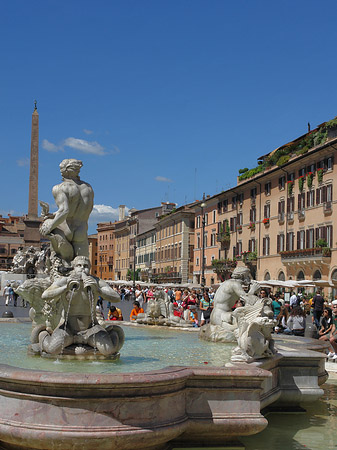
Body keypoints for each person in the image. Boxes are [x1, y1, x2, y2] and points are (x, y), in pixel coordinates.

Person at [39, 256, 121, 356]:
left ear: (89, 268)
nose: (82, 268)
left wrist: (98, 290)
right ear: (73, 267)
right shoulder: (65, 280)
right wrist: (65, 288)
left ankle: (112, 334)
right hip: (68, 328)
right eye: (79, 265)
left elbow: (117, 298)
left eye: (86, 266)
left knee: (108, 350)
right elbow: (45, 295)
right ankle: (43, 335)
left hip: (91, 329)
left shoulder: (96, 281)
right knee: (52, 349)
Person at [40, 159, 94, 264]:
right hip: (81, 230)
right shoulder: (88, 188)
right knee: (82, 268)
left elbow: (64, 211)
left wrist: (49, 226)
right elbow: (82, 208)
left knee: (60, 265)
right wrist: (53, 215)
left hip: (66, 229)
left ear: (65, 171)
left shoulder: (60, 188)